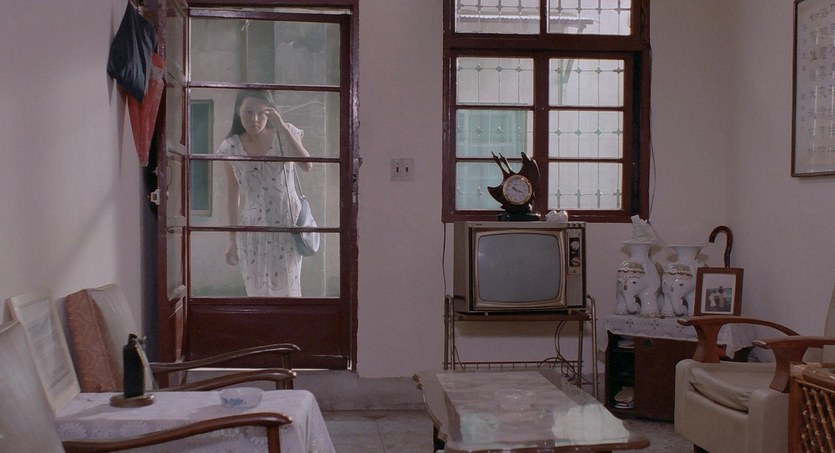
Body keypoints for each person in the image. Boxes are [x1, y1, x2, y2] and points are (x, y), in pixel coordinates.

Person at [216, 90, 312, 297]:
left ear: (270, 113)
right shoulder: (230, 147)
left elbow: (307, 165)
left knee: (288, 293)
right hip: (252, 230)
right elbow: (232, 196)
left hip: (286, 226)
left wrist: (281, 126)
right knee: (257, 294)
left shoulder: (285, 134)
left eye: (261, 113)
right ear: (238, 111)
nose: (255, 119)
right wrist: (232, 239)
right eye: (248, 112)